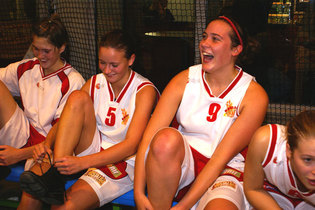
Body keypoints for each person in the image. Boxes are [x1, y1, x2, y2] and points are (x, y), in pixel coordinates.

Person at [134, 15, 269, 210]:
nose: (205, 43)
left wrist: (183, 207)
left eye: (215, 39)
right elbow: (148, 140)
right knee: (164, 139)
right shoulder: (184, 79)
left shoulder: (254, 95)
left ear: (235, 49)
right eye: (205, 36)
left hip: (226, 168)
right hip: (184, 164)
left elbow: (219, 160)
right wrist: (138, 191)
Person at [18, 29, 158, 209]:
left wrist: (81, 163)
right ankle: (56, 176)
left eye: (114, 65)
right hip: (93, 148)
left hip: (123, 163)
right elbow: (66, 120)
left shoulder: (144, 90)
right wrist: (47, 144)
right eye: (102, 63)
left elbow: (132, 145)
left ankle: (57, 176)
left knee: (62, 207)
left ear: (131, 60)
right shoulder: (95, 82)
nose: (107, 70)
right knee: (77, 97)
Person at [0, 14, 85, 167]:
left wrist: (18, 155)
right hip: (23, 133)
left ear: (61, 48)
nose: (40, 56)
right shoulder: (26, 68)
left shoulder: (73, 81)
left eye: (46, 51)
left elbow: (62, 137)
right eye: (36, 49)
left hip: (49, 147)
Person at [244, 110, 315, 209]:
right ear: (289, 151)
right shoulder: (267, 143)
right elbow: (253, 189)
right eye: (308, 159)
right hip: (271, 191)